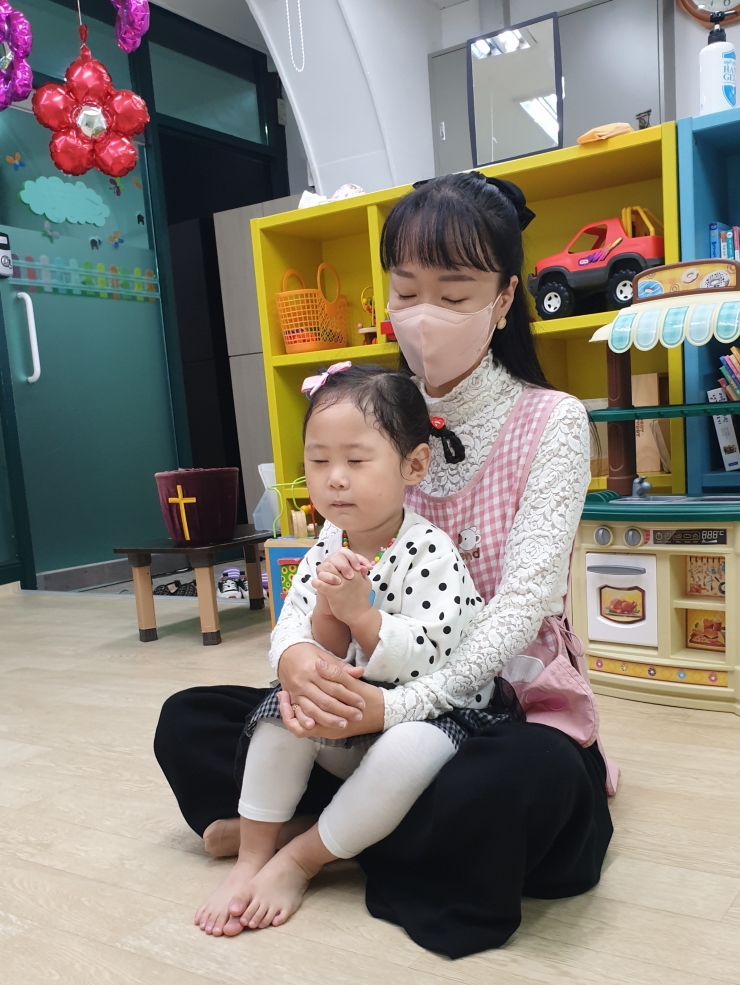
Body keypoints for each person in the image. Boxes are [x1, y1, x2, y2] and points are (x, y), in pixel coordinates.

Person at [155, 172, 615, 959]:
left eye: (455, 293)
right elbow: (319, 567)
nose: (424, 315)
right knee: (192, 718)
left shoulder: (553, 420)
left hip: (497, 703)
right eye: (406, 291)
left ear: (506, 299)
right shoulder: (366, 411)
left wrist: (401, 708)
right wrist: (296, 659)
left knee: (519, 786)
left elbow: (523, 603)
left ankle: (309, 840)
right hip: (367, 692)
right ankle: (362, 827)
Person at [195, 364, 517, 937]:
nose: (335, 480)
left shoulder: (430, 550)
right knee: (280, 715)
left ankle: (301, 859)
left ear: (414, 465)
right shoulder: (326, 543)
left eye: (356, 461)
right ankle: (251, 857)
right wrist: (302, 657)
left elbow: (435, 658)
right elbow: (296, 628)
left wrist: (363, 617)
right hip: (348, 714)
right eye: (318, 462)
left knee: (409, 752)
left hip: (432, 714)